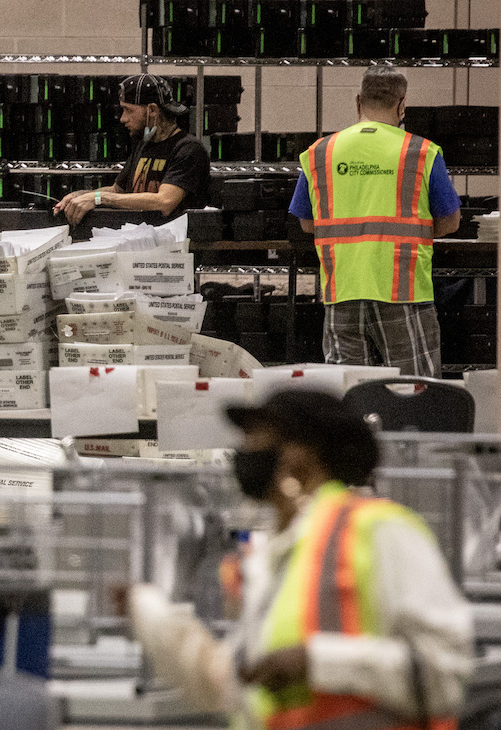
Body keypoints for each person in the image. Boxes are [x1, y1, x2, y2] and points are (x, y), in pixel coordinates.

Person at [121, 389, 473, 729]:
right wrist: (148, 613)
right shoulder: (277, 553)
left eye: (259, 438)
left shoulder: (379, 531)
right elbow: (229, 683)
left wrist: (318, 662)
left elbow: (445, 675)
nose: (244, 451)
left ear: (303, 454)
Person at [289, 67, 461, 378]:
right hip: (403, 289)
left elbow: (306, 223)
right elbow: (450, 221)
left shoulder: (319, 153)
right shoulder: (421, 152)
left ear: (358, 102)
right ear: (402, 105)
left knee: (349, 391)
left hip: (341, 290)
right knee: (416, 388)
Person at [54, 73, 210, 225]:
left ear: (152, 110)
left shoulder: (188, 149)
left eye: (128, 110)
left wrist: (99, 198)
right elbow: (118, 191)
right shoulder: (144, 144)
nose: (123, 118)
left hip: (173, 243)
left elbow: (165, 202)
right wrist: (80, 196)